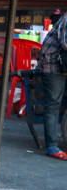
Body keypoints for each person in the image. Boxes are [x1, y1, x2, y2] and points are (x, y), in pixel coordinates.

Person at [38, 10, 67, 160]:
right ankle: (52, 146)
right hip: (54, 66)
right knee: (53, 104)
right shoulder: (66, 20)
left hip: (63, 67)